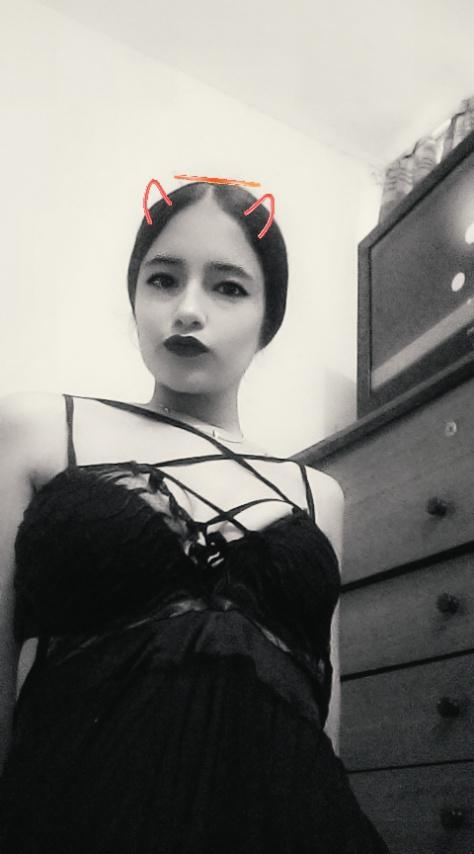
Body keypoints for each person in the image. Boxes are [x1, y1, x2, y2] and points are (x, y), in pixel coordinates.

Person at [0, 182, 390, 852]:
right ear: (134, 296)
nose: (186, 309)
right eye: (162, 279)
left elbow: (320, 714)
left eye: (228, 287)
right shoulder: (37, 428)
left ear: (269, 318)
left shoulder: (318, 494)